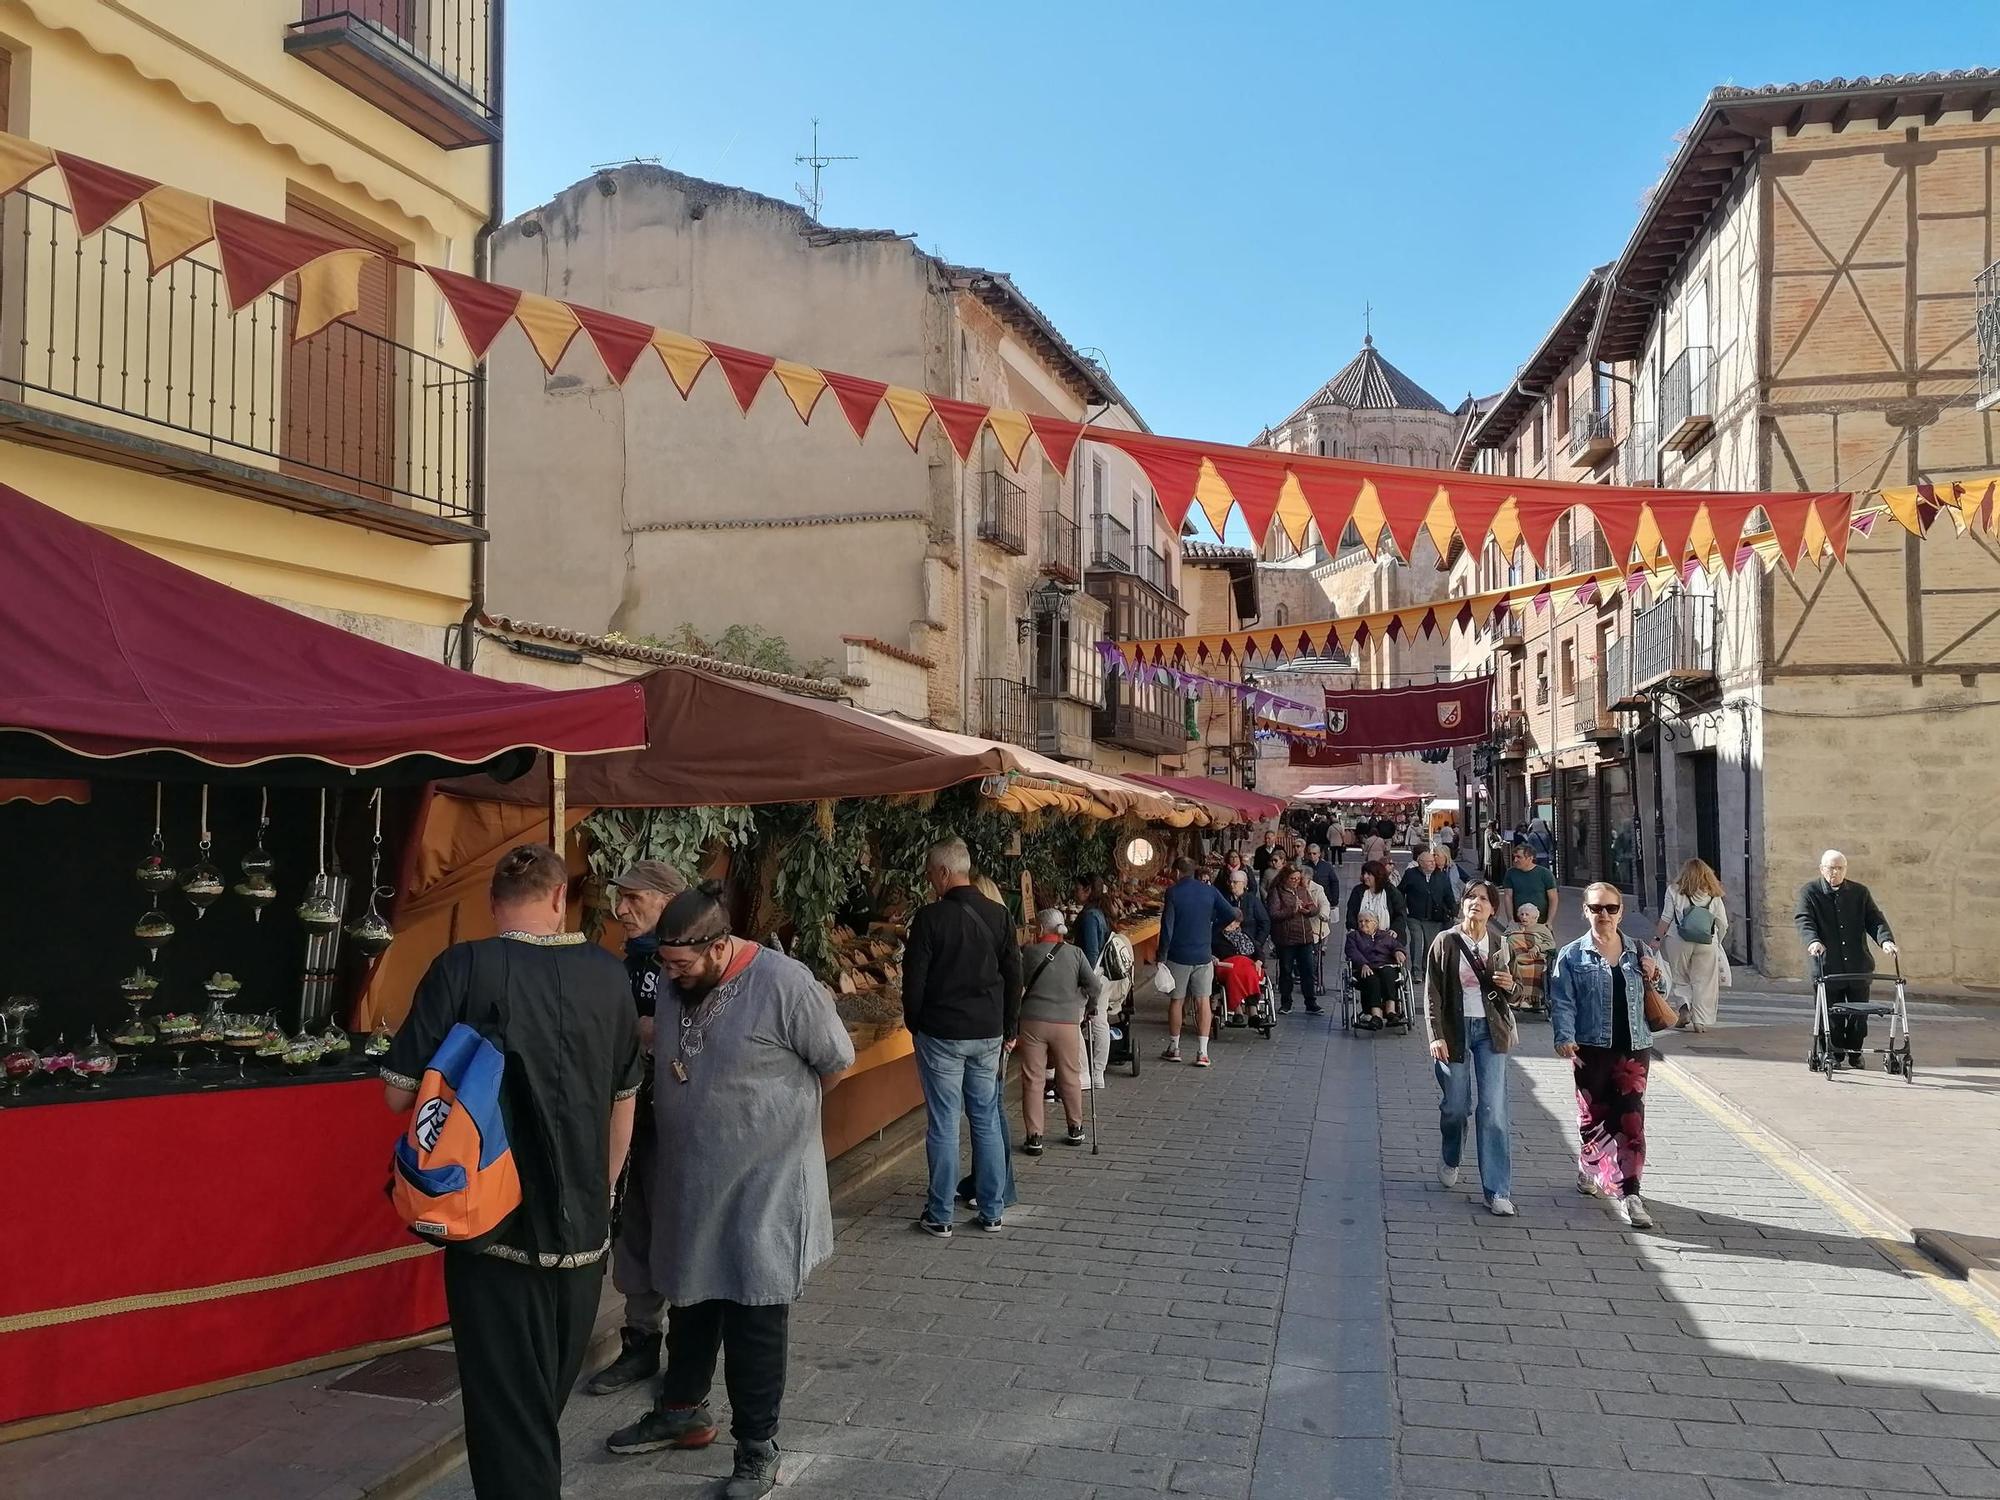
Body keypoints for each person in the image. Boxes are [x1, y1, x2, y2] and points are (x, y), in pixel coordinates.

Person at [381, 845, 641, 1500]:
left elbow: (397, 1094)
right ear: (559, 899)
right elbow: (624, 1101)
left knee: (508, 1418)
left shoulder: (464, 965)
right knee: (537, 1411)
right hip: (582, 1232)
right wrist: (604, 1192)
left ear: (493, 904)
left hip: (487, 1228)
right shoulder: (610, 978)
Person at [604, 884, 854, 1497]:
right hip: (690, 1178)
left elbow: (836, 1058)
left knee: (753, 1311)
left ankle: (757, 1446)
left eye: (680, 965)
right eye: (664, 963)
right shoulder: (673, 981)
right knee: (690, 1296)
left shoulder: (784, 984)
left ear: (718, 948)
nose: (669, 975)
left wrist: (779, 1128)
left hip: (765, 1186)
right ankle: (682, 1410)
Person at [585, 861, 690, 1396]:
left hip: (682, 1122)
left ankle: (690, 1355)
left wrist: (655, 1030)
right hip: (630, 1115)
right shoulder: (625, 964)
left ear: (670, 899)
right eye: (617, 898)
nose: (620, 910)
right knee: (634, 1229)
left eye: (634, 899)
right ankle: (639, 1343)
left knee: (682, 1229)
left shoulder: (696, 963)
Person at [902, 838, 1021, 1236]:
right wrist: (1010, 1027)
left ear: (942, 872)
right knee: (985, 1119)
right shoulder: (1000, 916)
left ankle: (940, 1214)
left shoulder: (929, 919)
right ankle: (991, 1210)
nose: (929, 881)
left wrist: (915, 1023)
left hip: (942, 1034)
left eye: (929, 874)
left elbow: (913, 980)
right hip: (987, 1032)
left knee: (944, 1123)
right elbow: (1013, 976)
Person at [1549, 883, 1670, 1231]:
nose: (1604, 915)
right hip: (1589, 1046)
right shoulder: (1572, 955)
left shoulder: (1638, 950)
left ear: (1621, 912)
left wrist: (1655, 973)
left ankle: (1630, 1192)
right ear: (1585, 911)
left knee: (1631, 1118)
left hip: (1633, 1046)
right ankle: (1590, 1166)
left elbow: (1662, 993)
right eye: (1597, 908)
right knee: (1593, 1117)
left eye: (1611, 908)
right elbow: (1562, 1000)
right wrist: (1565, 1037)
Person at [1422, 880, 1517, 1216]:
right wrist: (1435, 1034)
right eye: (1470, 897)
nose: (1476, 902)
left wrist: (1511, 985)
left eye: (1483, 899)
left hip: (1492, 1031)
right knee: (1456, 1107)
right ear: (1462, 904)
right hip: (1455, 1030)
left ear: (1493, 908)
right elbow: (1432, 992)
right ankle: (1451, 1154)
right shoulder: (1445, 941)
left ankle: (1497, 1190)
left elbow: (1515, 991)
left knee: (1492, 1110)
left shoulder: (1501, 944)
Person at [1794, 849, 1897, 1068]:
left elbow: (1874, 919)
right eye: (1831, 868)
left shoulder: (1860, 892)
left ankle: (1855, 1052)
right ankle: (1832, 1053)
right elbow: (1804, 920)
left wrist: (1885, 941)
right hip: (1826, 965)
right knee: (1830, 1015)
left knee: (1859, 1015)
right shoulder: (1809, 892)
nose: (1835, 872)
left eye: (1840, 868)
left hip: (1857, 964)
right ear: (1822, 869)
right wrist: (1813, 941)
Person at [1015, 909, 1102, 1153]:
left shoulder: (1029, 953)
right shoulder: (1076, 954)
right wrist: (1091, 1009)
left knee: (1033, 1078)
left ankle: (1034, 1136)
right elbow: (1093, 986)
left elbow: (1016, 985)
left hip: (1033, 1022)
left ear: (1042, 930)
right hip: (1066, 1023)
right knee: (1069, 1075)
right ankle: (1075, 1128)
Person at [1158, 856, 1238, 1065]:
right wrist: (1212, 927)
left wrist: (1161, 956)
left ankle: (1175, 1047)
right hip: (1203, 954)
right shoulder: (1209, 891)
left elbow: (1167, 927)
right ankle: (1202, 1052)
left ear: (1176, 872)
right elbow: (1231, 913)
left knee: (1177, 1000)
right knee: (1203, 1001)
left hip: (1178, 954)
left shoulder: (1173, 892)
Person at [1655, 858, 1731, 1031]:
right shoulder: (1714, 894)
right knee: (1704, 981)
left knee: (1679, 976)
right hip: (1707, 942)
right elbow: (1723, 924)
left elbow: (1666, 918)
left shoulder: (1674, 890)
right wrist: (1717, 941)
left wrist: (1657, 939)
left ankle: (1684, 1008)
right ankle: (1700, 1021)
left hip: (1678, 940)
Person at [1072, 876, 1124, 1090]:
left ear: (1086, 889)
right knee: (1098, 1020)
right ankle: (1097, 1073)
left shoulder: (1090, 915)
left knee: (1078, 1021)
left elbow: (1091, 951)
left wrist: (1086, 979)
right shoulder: (1100, 912)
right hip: (1102, 975)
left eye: (1077, 888)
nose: (1074, 892)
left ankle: (1088, 1071)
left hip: (1094, 975)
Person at [1217, 867, 1271, 1026]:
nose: (1232, 885)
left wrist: (1258, 944)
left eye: (1236, 882)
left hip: (1250, 953)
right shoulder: (1224, 900)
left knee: (1250, 970)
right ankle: (1239, 1010)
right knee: (1236, 971)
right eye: (1231, 882)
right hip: (1229, 963)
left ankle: (1252, 1010)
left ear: (1245, 884)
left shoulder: (1252, 901)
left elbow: (1265, 922)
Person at [1267, 865, 1324, 1016]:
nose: (1295, 881)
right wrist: (1292, 909)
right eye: (1292, 879)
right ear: (1285, 878)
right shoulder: (1277, 892)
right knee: (1286, 971)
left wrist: (1308, 910)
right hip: (1286, 938)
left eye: (1298, 879)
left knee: (1308, 970)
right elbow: (1274, 914)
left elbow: (1314, 908)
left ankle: (1311, 1002)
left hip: (1305, 936)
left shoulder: (1302, 890)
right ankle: (1286, 1003)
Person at [1398, 849, 1450, 997]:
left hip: (1434, 917)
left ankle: (1427, 969)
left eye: (1433, 861)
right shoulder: (1411, 874)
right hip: (1414, 915)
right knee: (1416, 940)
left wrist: (1451, 910)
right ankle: (1416, 972)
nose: (1433, 864)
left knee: (1430, 944)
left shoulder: (1440, 876)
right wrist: (1402, 907)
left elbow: (1448, 894)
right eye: (1429, 862)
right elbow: (1400, 890)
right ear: (1420, 863)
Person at [1345, 912, 1407, 1029]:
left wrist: (1399, 951)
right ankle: (1376, 1016)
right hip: (1365, 968)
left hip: (1386, 966)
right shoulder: (1353, 936)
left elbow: (1397, 945)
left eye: (1367, 921)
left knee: (1388, 972)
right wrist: (1363, 964)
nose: (1363, 923)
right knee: (1372, 978)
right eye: (1360, 921)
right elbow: (1352, 951)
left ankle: (1391, 1012)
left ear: (1376, 923)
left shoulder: (1385, 936)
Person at [1344, 860, 1407, 952]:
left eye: (1369, 874)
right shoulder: (1358, 891)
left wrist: (1395, 929)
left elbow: (1400, 914)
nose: (1365, 877)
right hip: (1362, 939)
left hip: (1387, 938)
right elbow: (1351, 912)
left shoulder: (1392, 892)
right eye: (1364, 873)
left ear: (1378, 876)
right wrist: (1352, 929)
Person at [1506, 902, 1556, 1012]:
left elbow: (1551, 944)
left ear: (1535, 917)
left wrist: (1537, 947)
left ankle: (1528, 999)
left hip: (1534, 958)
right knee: (1514, 967)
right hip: (1515, 957)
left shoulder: (1542, 928)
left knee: (1531, 969)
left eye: (1527, 915)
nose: (1524, 917)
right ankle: (1515, 998)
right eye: (1522, 914)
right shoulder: (1513, 927)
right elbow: (1503, 940)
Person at [1501, 843, 1558, 926]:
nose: (1515, 860)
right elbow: (1508, 897)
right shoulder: (1511, 873)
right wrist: (1511, 919)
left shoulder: (1545, 874)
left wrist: (1549, 921)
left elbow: (1553, 899)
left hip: (1541, 922)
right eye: (1515, 857)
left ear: (1530, 858)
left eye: (1519, 857)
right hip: (1519, 922)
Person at [1305, 843, 1341, 917]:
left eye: (1314, 853)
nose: (1312, 855)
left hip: (1325, 897)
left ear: (1319, 854)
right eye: (1310, 853)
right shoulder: (1304, 867)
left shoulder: (1327, 866)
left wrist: (1334, 899)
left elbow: (1334, 882)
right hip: (1309, 899)